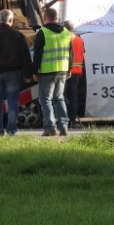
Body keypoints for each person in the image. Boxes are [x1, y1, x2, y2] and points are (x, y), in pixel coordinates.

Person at [0, 9, 33, 136]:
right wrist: (28, 74)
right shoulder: (18, 36)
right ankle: (12, 130)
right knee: (13, 102)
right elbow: (25, 56)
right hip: (13, 73)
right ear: (11, 20)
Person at [32, 7, 73, 137]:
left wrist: (34, 71)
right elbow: (71, 53)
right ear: (57, 18)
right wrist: (69, 69)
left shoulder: (43, 32)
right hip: (62, 70)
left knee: (45, 100)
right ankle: (63, 127)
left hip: (47, 71)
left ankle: (50, 128)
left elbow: (37, 55)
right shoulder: (66, 32)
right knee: (59, 98)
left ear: (45, 18)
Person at [63, 21, 85, 130]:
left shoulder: (65, 39)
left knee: (62, 97)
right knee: (73, 97)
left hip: (67, 71)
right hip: (77, 72)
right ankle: (72, 120)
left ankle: (64, 121)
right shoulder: (79, 40)